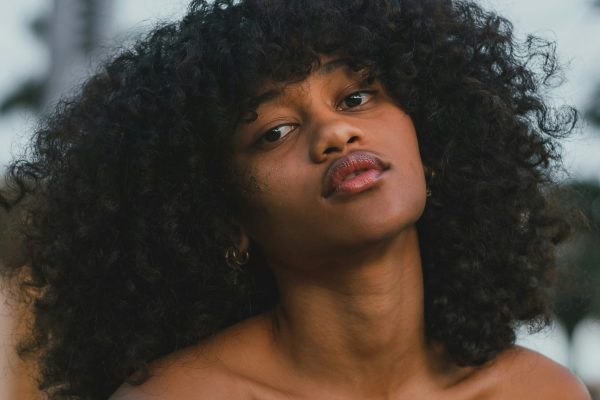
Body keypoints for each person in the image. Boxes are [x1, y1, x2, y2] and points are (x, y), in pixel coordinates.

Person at [0, 0, 592, 399]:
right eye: (274, 132)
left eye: (356, 97)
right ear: (225, 220)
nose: (335, 133)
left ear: (430, 149)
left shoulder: (539, 392)